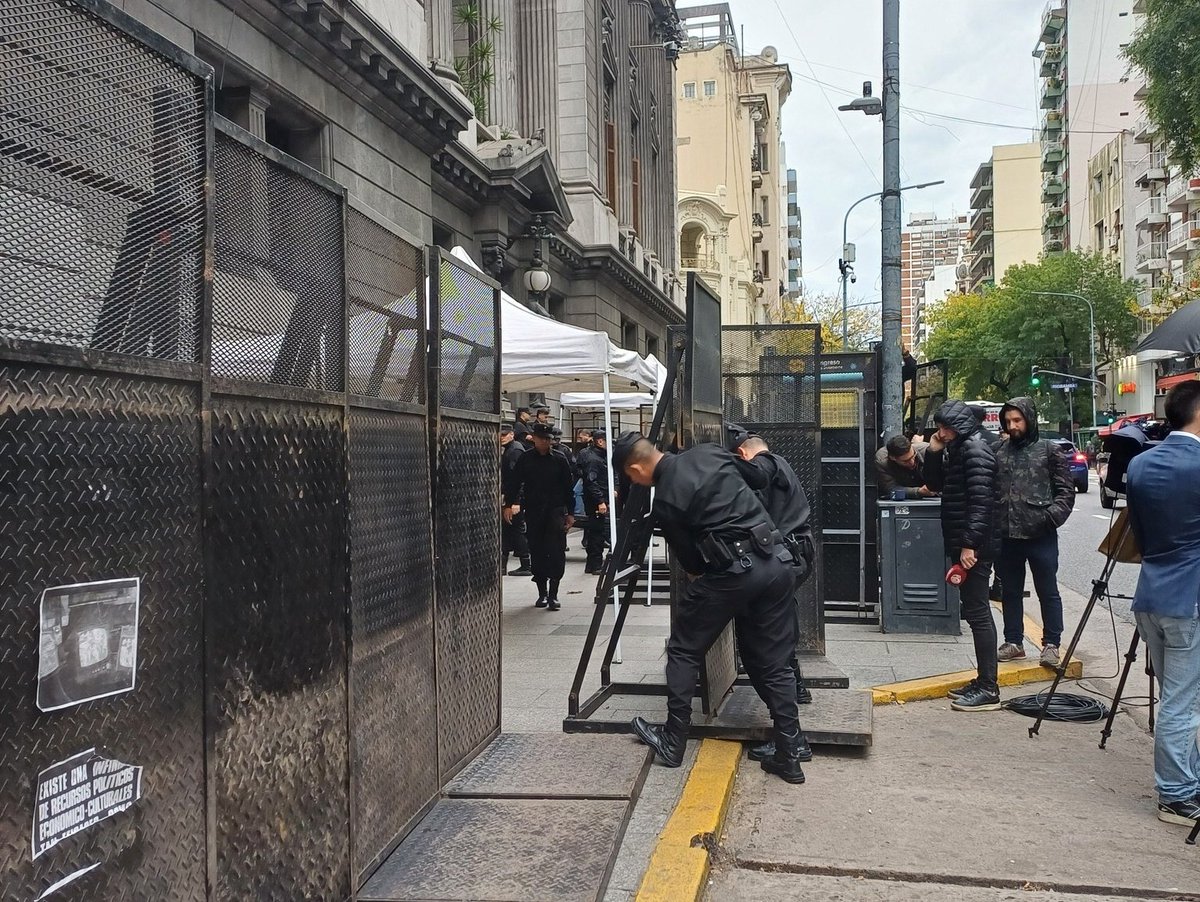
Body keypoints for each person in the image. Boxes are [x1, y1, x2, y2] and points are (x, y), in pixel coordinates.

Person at [613, 432, 807, 784]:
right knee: (773, 662)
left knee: (683, 649)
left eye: (630, 476)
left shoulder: (666, 502)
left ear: (637, 467)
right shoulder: (709, 453)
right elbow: (759, 477)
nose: (635, 482)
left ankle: (673, 739)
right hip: (777, 562)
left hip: (735, 571)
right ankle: (790, 753)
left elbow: (691, 562)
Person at [1126, 381, 1200, 827]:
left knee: (1176, 695)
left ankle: (1183, 780)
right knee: (1181, 701)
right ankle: (1176, 793)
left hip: (1150, 593)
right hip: (1189, 599)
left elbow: (1140, 533)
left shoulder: (1139, 463)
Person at [727, 428, 818, 767]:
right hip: (792, 559)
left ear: (744, 454)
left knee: (763, 651)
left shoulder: (768, 463)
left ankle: (791, 741)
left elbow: (757, 474)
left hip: (785, 561)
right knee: (776, 640)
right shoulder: (779, 466)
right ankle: (793, 723)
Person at [924, 399, 1002, 712]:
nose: (941, 432)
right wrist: (932, 451)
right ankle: (983, 680)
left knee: (978, 612)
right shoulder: (959, 448)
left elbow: (982, 501)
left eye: (945, 427)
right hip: (966, 541)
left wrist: (970, 545)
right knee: (974, 610)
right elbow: (934, 484)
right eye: (939, 427)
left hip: (975, 546)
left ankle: (988, 687)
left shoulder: (974, 449)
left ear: (959, 425)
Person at [994, 397, 1074, 667]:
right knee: (1010, 591)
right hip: (1007, 536)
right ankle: (1013, 641)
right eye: (1008, 421)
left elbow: (1066, 492)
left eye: (1017, 420)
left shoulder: (1049, 450)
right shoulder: (1000, 451)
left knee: (1047, 590)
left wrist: (1050, 518)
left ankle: (1052, 644)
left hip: (1041, 535)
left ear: (1029, 419)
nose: (1012, 425)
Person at [503, 423, 575, 610]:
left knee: (556, 551)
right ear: (534, 439)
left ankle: (554, 594)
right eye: (541, 438)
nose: (544, 442)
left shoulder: (559, 459)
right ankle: (542, 593)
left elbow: (568, 488)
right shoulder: (526, 459)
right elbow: (514, 482)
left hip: (555, 511)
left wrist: (571, 513)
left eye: (547, 439)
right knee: (537, 550)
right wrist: (509, 504)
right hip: (534, 510)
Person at [500, 424, 532, 576]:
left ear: (512, 434)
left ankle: (526, 564)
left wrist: (515, 502)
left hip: (515, 498)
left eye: (504, 435)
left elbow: (518, 478)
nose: (501, 437)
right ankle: (504, 564)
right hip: (512, 496)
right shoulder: (512, 449)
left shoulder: (514, 451)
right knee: (508, 528)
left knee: (516, 528)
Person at [580, 429, 611, 574]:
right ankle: (596, 564)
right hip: (596, 500)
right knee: (597, 532)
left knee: (595, 532)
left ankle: (591, 564)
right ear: (600, 441)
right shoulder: (593, 459)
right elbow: (591, 481)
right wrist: (600, 500)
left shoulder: (593, 454)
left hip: (597, 497)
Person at [875, 434, 934, 500]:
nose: (912, 462)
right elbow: (890, 488)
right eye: (906, 461)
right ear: (893, 458)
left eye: (913, 456)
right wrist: (918, 491)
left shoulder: (929, 451)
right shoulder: (883, 461)